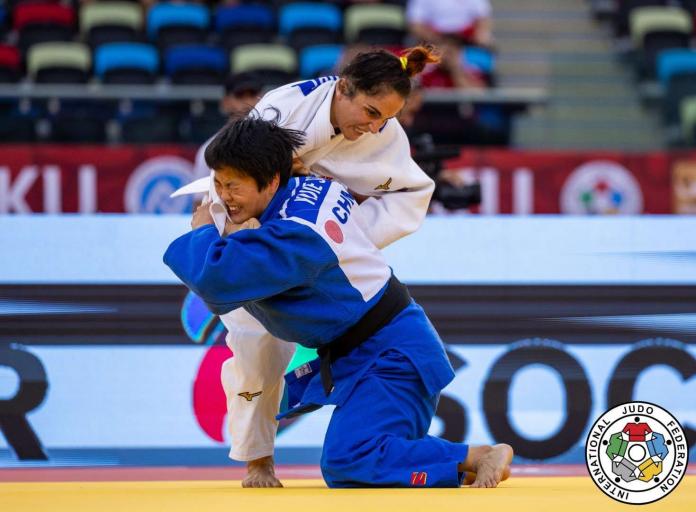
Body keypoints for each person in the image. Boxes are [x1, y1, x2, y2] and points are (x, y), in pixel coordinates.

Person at [164, 116, 513, 488]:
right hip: (371, 350)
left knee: (349, 459)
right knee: (362, 454)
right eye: (217, 184)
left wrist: (202, 230)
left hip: (393, 356)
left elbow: (216, 279)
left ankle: (476, 456)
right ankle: (456, 464)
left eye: (233, 186)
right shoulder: (307, 188)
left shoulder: (298, 234)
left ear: (271, 181)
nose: (221, 197)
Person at [174, 46, 442, 488]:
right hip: (253, 230)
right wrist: (223, 243)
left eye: (386, 119)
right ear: (344, 88)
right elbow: (230, 182)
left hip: (318, 248)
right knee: (254, 349)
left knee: (344, 323)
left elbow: (414, 193)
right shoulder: (283, 109)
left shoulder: (386, 136)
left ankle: (375, 427)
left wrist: (345, 234)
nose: (374, 127)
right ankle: (259, 460)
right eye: (371, 111)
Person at [192, 71, 263, 179]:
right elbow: (200, 195)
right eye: (240, 95)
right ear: (225, 102)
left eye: (252, 94)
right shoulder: (210, 149)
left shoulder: (279, 140)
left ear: (262, 97)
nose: (248, 101)